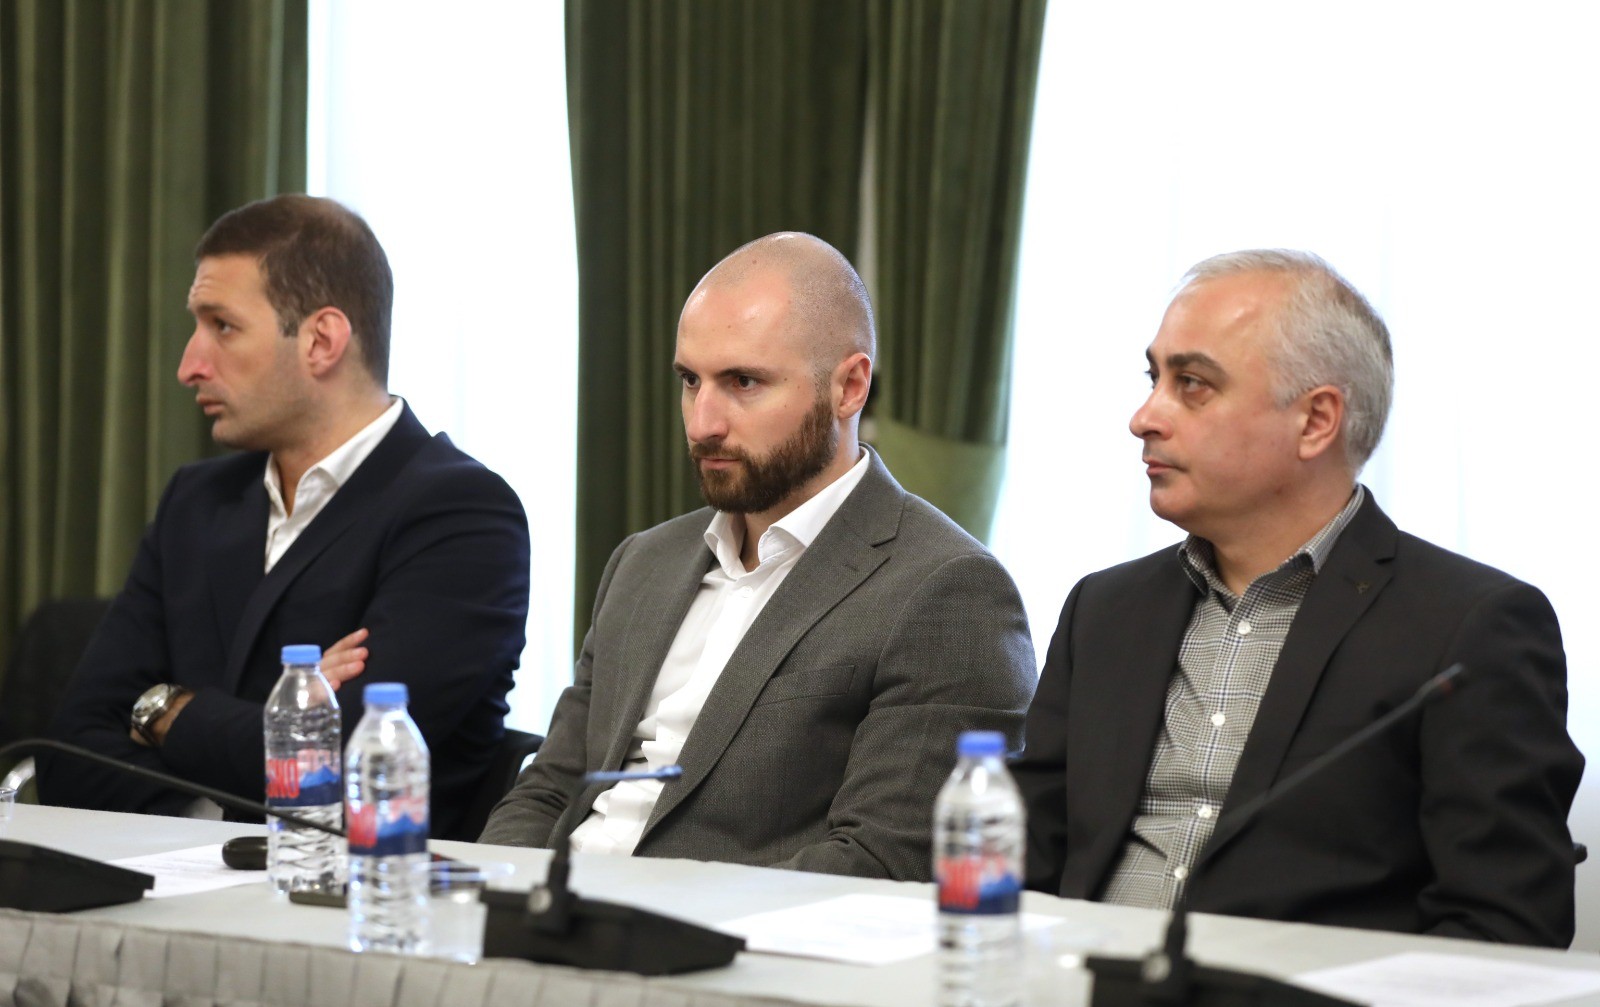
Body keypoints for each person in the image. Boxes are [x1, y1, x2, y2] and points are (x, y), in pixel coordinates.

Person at [1014, 249, 1584, 947]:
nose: (1144, 417)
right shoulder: (1105, 609)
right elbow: (1019, 856)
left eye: (1192, 384)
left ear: (1316, 421)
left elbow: (1504, 925)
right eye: (1153, 378)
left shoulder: (1469, 626)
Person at [480, 232, 1035, 881]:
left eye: (743, 382)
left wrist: (630, 918)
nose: (702, 423)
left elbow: (883, 863)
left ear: (850, 387)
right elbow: (550, 788)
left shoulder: (947, 589)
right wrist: (495, 895)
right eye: (690, 381)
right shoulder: (644, 561)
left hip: (714, 936)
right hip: (549, 917)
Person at [38, 195, 531, 839]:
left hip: (362, 893)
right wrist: (283, 723)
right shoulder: (195, 501)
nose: (189, 365)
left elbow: (352, 764)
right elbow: (70, 753)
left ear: (321, 341)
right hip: (165, 879)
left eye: (222, 326)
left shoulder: (462, 514)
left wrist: (162, 710)